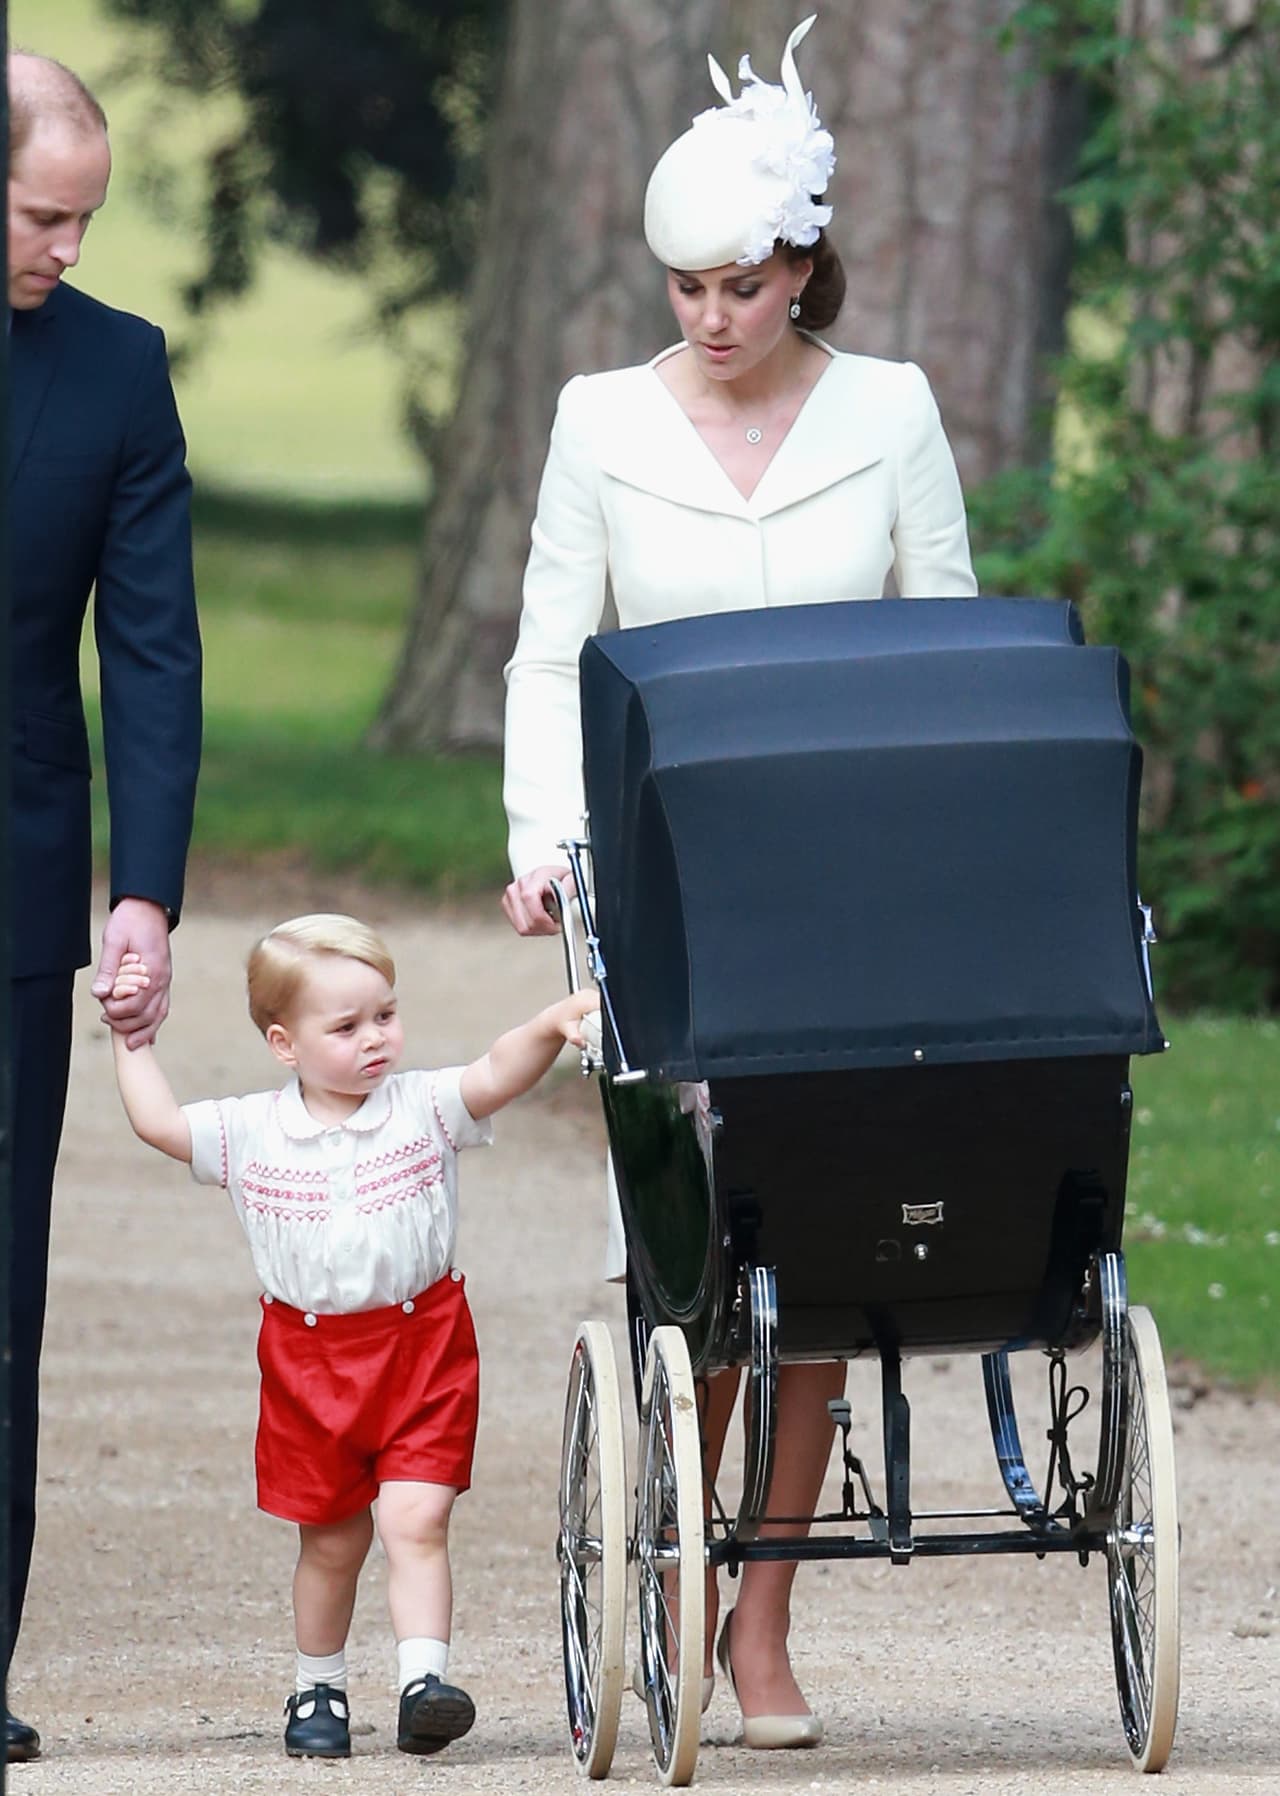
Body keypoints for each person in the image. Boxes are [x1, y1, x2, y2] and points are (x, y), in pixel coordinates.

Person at [501, 14, 977, 1750]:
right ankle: (684, 1555)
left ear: (801, 269)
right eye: (687, 288)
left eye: (744, 286)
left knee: (832, 1235)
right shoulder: (599, 418)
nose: (711, 317)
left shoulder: (891, 409)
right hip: (675, 871)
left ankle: (759, 1612)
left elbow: (951, 638)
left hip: (856, 877)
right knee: (703, 1249)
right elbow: (554, 646)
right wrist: (540, 840)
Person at [108, 914, 599, 1761]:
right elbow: (160, 1124)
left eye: (386, 1015)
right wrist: (130, 1042)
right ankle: (318, 1687)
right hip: (309, 1363)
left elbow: (494, 1072)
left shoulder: (423, 1107)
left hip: (422, 1347)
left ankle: (423, 1683)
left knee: (417, 1518)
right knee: (333, 1541)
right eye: (346, 1027)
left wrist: (552, 1023)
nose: (376, 1038)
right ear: (284, 1044)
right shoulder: (250, 1131)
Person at [5, 51, 202, 1762]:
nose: (68, 248)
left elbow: (149, 649)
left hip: (17, 883)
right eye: (39, 215)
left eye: (85, 221)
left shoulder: (121, 371)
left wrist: (141, 893)